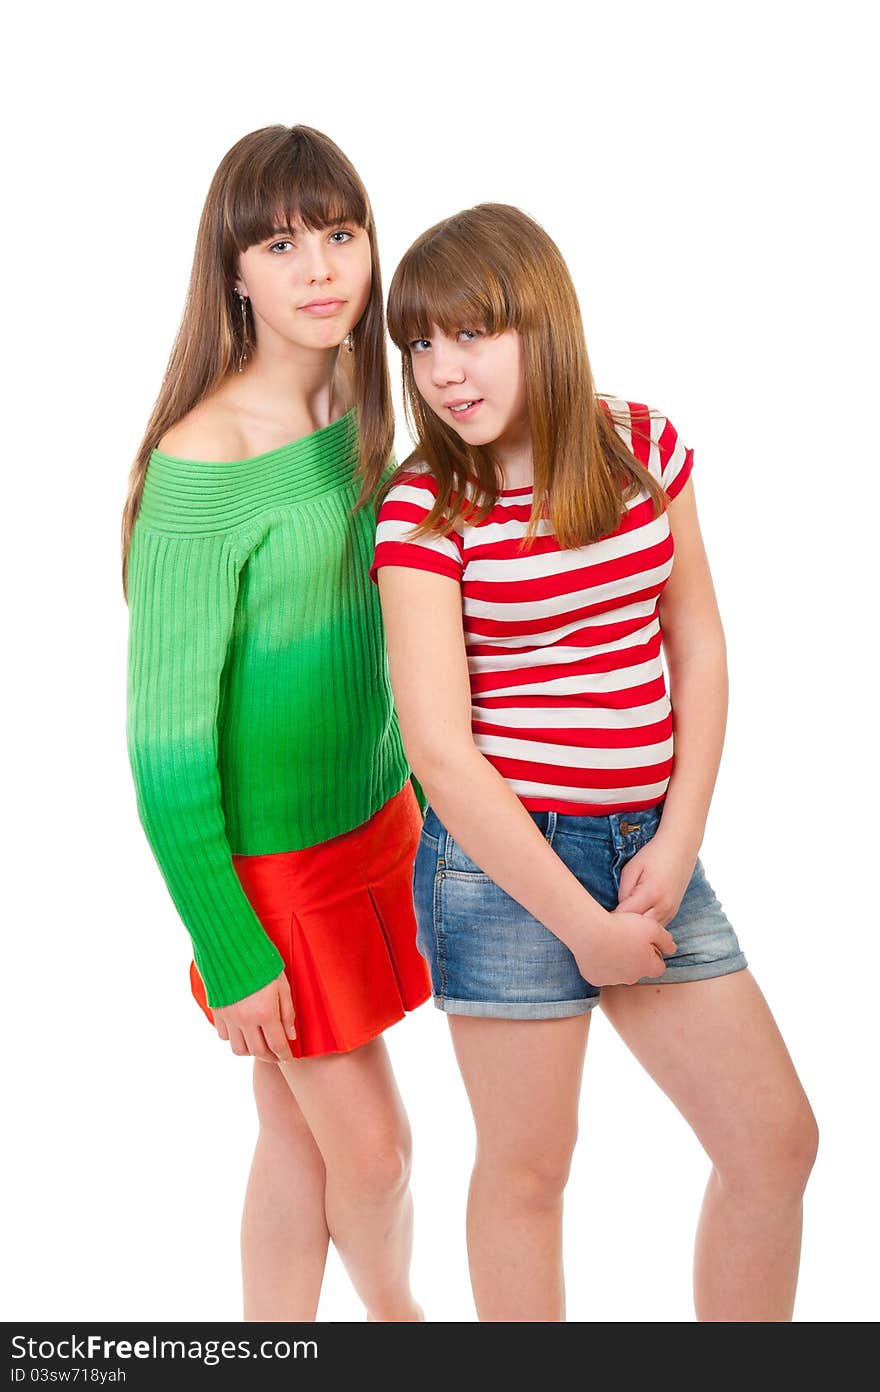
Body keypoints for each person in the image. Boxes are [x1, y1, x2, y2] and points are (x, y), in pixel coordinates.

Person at [371, 202, 818, 1322]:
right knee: (529, 1174)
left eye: (469, 334)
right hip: (504, 872)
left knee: (774, 1144)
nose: (442, 371)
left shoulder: (645, 447)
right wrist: (583, 928)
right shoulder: (423, 508)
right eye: (419, 344)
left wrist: (678, 838)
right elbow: (438, 748)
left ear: (543, 324)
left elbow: (698, 642)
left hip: (646, 847)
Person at [122, 125, 429, 1322]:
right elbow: (165, 755)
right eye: (282, 243)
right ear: (232, 272)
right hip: (273, 877)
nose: (321, 269)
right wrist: (234, 946)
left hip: (377, 824)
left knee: (296, 1141)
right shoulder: (200, 468)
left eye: (341, 234)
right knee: (378, 1153)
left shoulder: (359, 388)